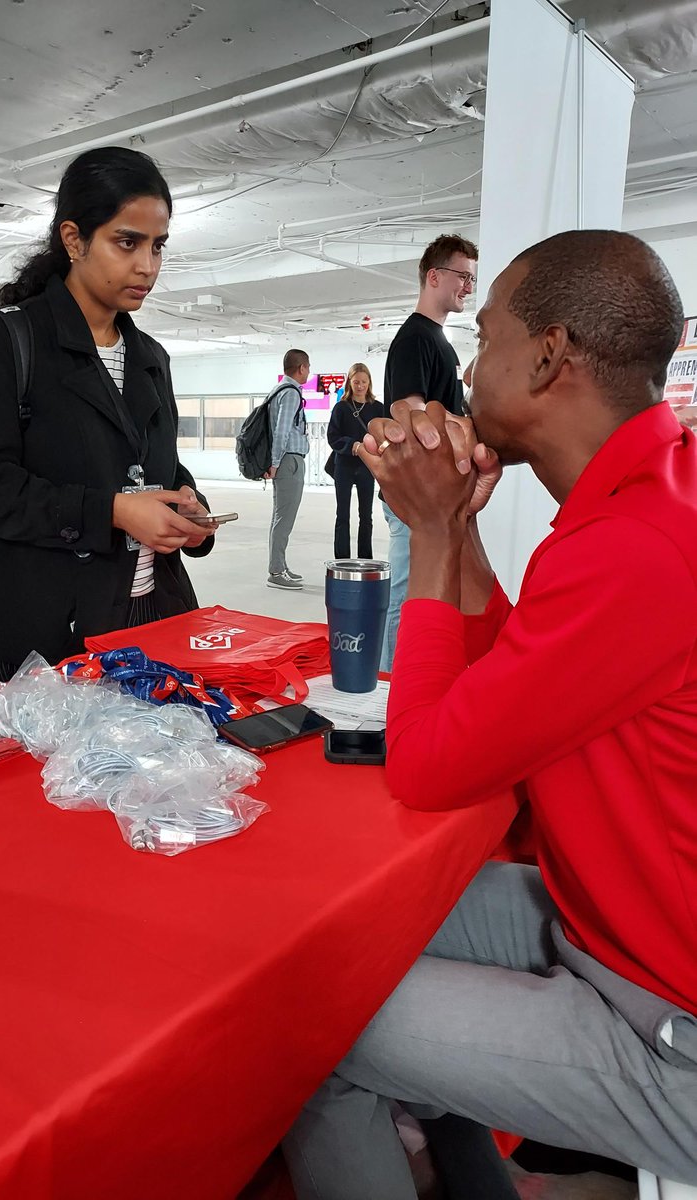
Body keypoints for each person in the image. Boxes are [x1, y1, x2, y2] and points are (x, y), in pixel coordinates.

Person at [283, 229, 697, 1198]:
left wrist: (430, 532)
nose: (468, 368)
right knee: (354, 928)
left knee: (309, 1029)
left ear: (548, 355)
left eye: (486, 336)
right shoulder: (646, 502)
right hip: (610, 932)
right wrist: (459, 527)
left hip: (664, 1018)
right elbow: (513, 677)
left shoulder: (633, 549)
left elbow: (428, 765)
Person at [0, 147, 216, 680]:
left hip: (150, 617)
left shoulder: (150, 357)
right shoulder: (3, 341)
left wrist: (191, 510)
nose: (147, 266)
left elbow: (156, 465)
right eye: (127, 242)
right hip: (44, 636)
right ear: (74, 239)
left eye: (158, 245)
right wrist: (112, 511)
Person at [379, 233, 478, 671]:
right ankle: (390, 688)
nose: (468, 287)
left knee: (430, 596)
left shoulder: (439, 340)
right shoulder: (415, 339)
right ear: (434, 276)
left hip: (439, 497)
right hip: (416, 497)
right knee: (407, 596)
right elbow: (412, 417)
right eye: (463, 276)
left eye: (472, 279)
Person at [326, 363, 385, 559]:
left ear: (369, 383)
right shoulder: (341, 408)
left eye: (364, 382)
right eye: (356, 382)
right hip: (344, 465)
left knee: (366, 516)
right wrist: (352, 445)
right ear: (349, 383)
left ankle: (365, 559)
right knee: (342, 515)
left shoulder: (378, 408)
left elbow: (385, 435)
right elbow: (332, 436)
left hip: (367, 466)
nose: (360, 386)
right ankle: (341, 559)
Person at [266, 349, 310, 590]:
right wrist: (275, 463)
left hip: (285, 461)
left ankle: (279, 565)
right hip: (289, 461)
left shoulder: (278, 390)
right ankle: (276, 571)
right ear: (301, 368)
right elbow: (282, 431)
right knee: (285, 518)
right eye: (308, 368)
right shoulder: (291, 393)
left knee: (280, 517)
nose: (308, 372)